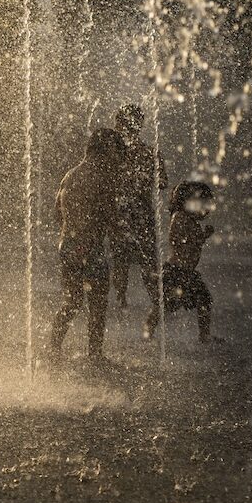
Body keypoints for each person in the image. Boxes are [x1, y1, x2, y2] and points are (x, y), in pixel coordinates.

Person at [49, 128, 125, 366]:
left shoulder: (70, 175)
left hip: (68, 245)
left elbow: (57, 213)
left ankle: (53, 348)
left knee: (72, 301)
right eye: (117, 154)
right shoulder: (102, 177)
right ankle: (95, 354)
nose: (118, 161)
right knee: (98, 303)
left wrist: (73, 235)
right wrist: (122, 235)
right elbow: (111, 217)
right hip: (90, 247)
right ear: (107, 151)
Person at [110, 104, 168, 326]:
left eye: (118, 123)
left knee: (121, 259)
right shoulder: (149, 153)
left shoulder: (114, 155)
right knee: (145, 260)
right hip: (141, 214)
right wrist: (144, 178)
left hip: (123, 214)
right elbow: (162, 182)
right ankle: (155, 301)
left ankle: (121, 301)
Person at [152, 181, 223, 344]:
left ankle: (204, 334)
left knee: (202, 300)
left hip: (186, 272)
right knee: (165, 303)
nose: (204, 208)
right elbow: (182, 240)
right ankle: (148, 329)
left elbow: (191, 241)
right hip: (176, 270)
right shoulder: (180, 217)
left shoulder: (189, 219)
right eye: (201, 203)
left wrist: (202, 236)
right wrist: (203, 236)